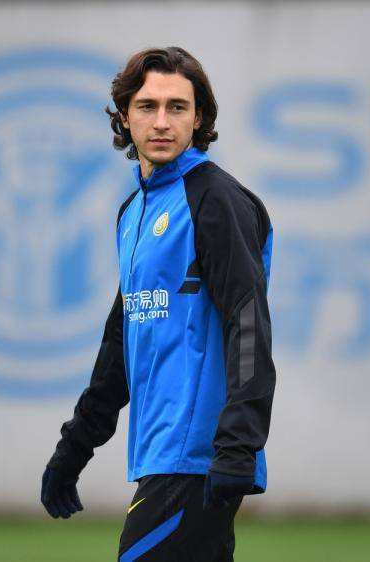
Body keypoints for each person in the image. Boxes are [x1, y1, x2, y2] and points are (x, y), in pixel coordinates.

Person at [41, 46, 276, 561]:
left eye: (178, 107)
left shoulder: (216, 200)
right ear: (125, 117)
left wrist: (238, 445)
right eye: (148, 106)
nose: (162, 121)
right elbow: (121, 345)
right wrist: (74, 448)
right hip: (160, 456)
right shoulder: (133, 212)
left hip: (200, 458)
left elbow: (249, 325)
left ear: (199, 119)